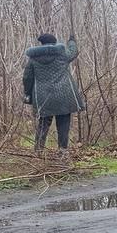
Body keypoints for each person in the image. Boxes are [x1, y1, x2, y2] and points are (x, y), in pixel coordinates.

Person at [23, 32, 84, 161]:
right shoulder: (62, 54)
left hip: (43, 97)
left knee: (43, 124)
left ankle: (38, 151)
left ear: (41, 43)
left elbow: (27, 78)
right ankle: (62, 151)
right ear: (54, 42)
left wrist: (28, 94)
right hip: (64, 95)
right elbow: (73, 52)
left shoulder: (33, 59)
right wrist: (72, 40)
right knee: (63, 123)